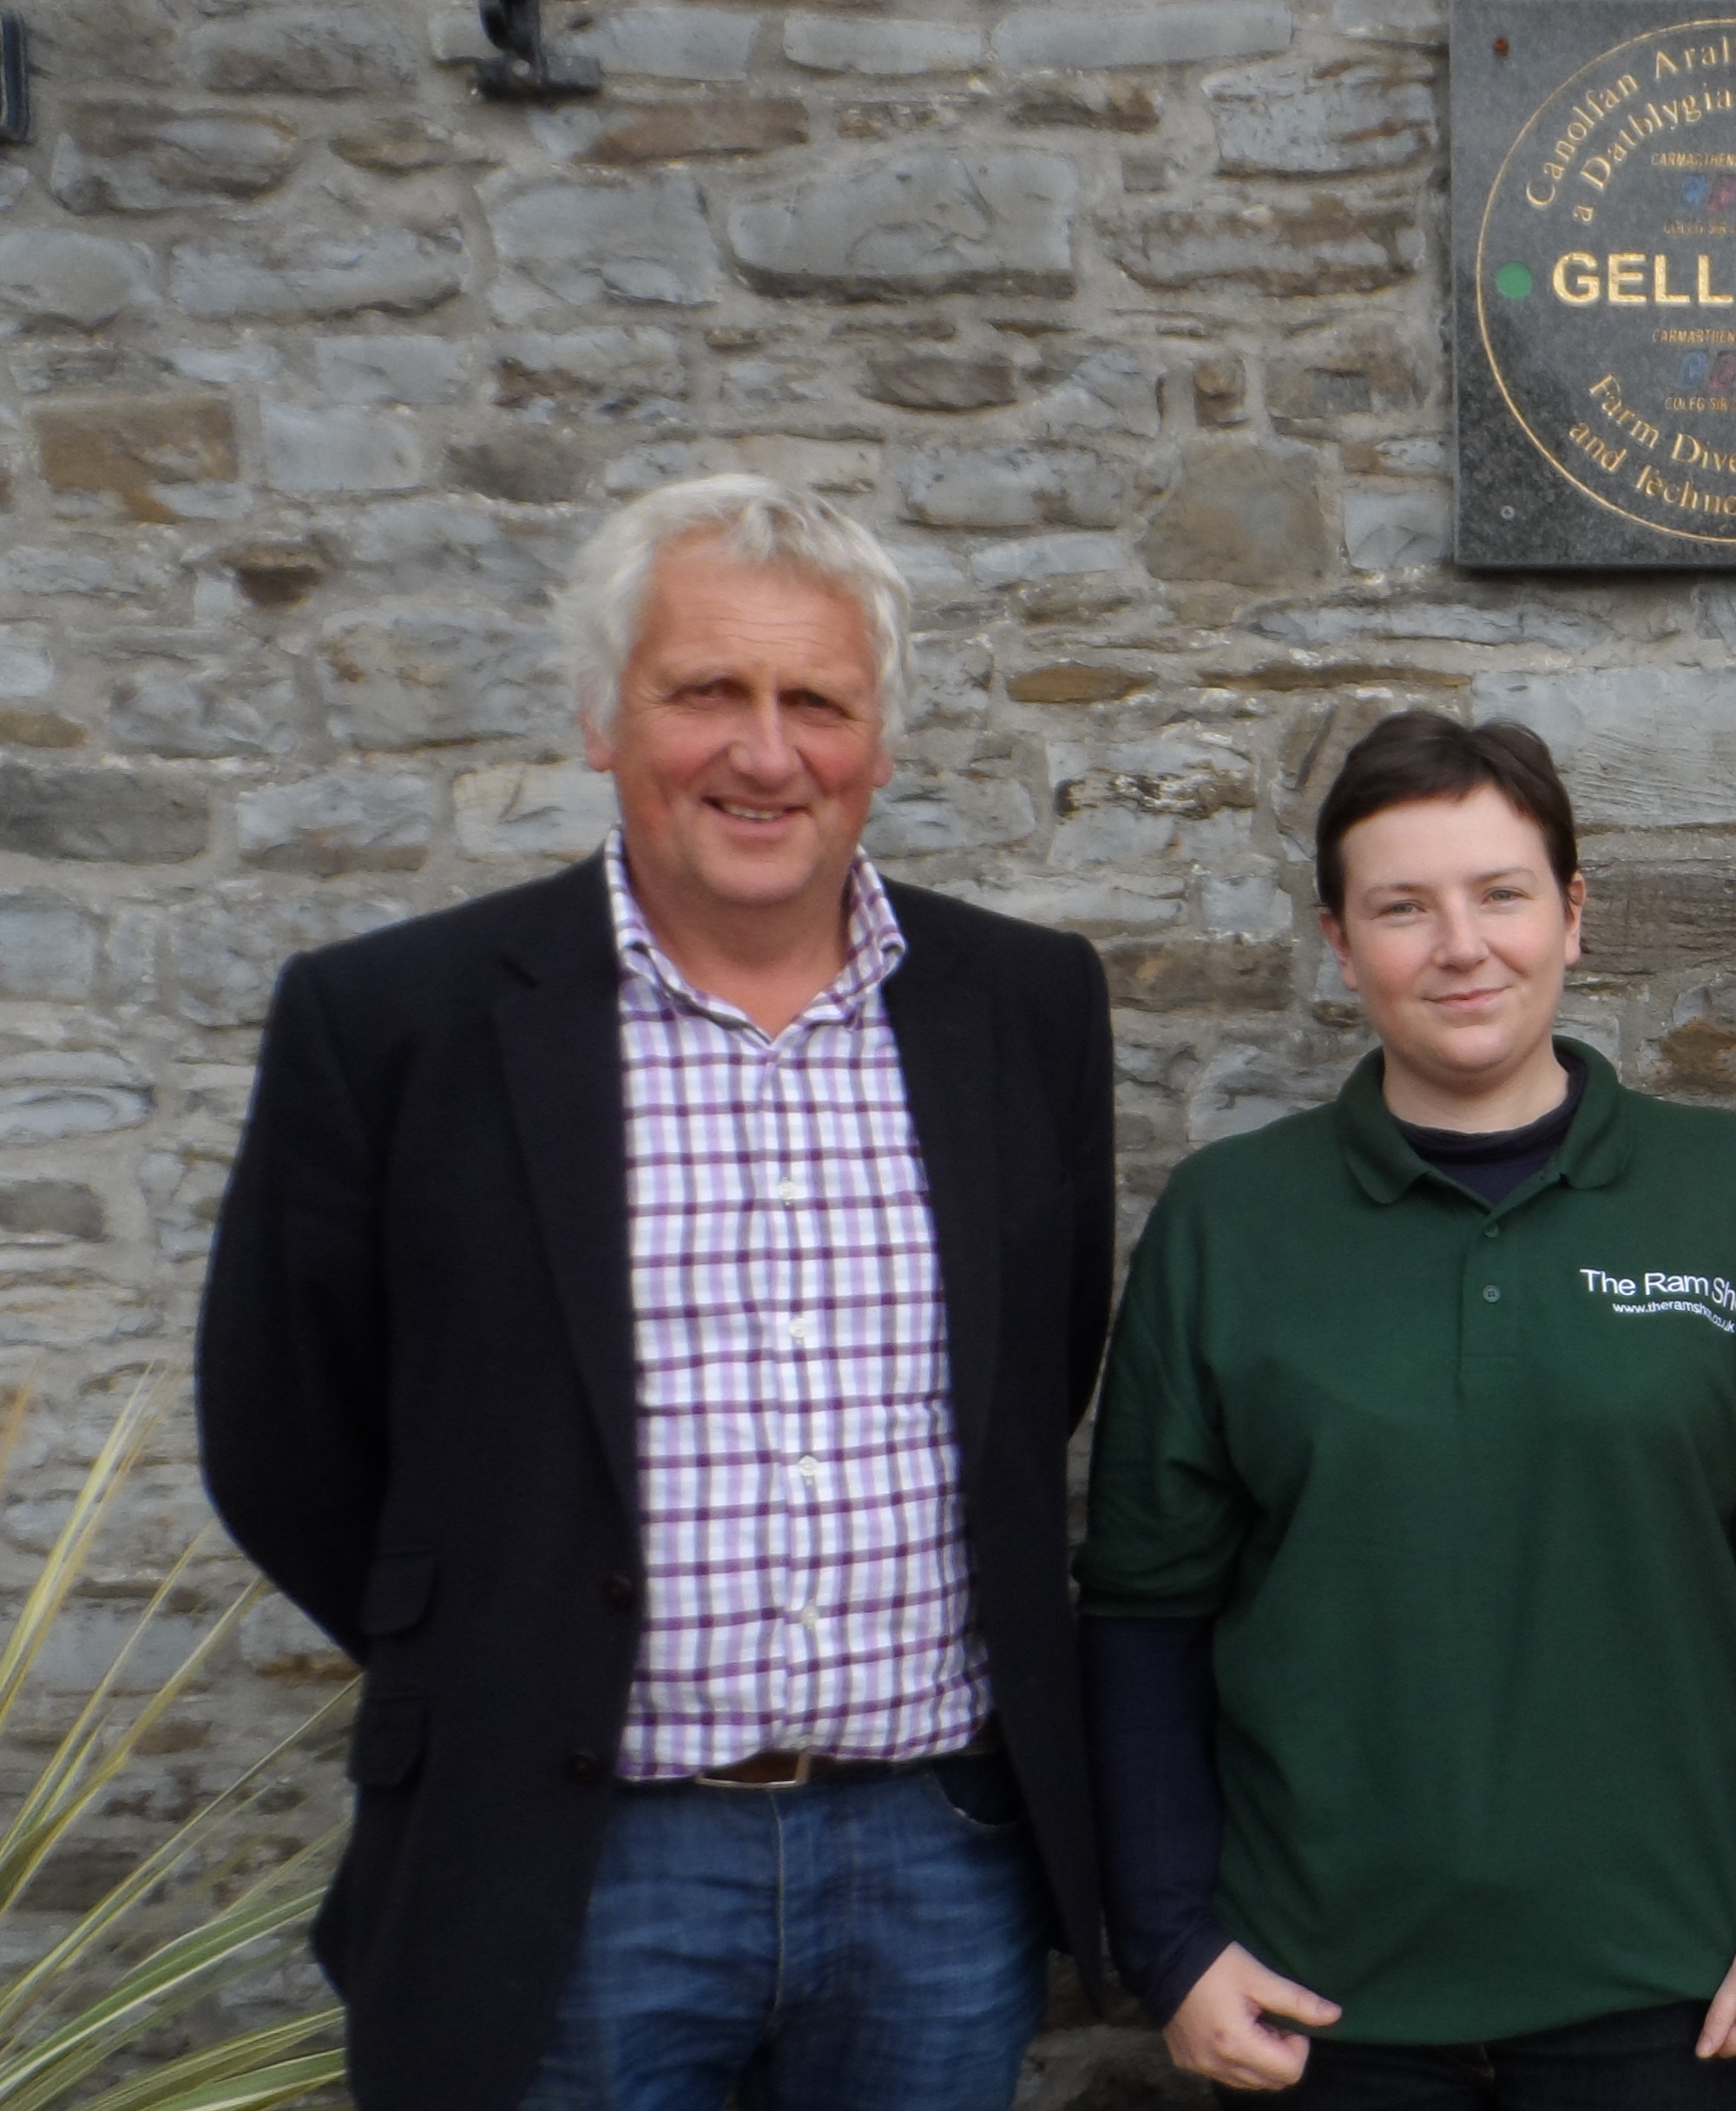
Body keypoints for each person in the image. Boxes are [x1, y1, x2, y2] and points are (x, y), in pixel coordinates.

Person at [195, 474, 1118, 2111]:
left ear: (881, 744)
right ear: (601, 718)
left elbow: (1036, 1372)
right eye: (708, 691)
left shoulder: (1024, 1008)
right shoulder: (395, 1023)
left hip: (933, 1858)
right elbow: (282, 1431)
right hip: (573, 1861)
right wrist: (503, 1641)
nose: (766, 753)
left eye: (816, 702)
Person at [1075, 709, 1736, 2106]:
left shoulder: (1733, 1198)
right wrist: (1171, 1941)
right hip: (1317, 2008)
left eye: (1502, 894)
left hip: (1675, 1989)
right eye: (1404, 907)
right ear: (1342, 946)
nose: (1461, 946)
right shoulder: (1231, 1225)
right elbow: (1144, 1616)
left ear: (1573, 916)